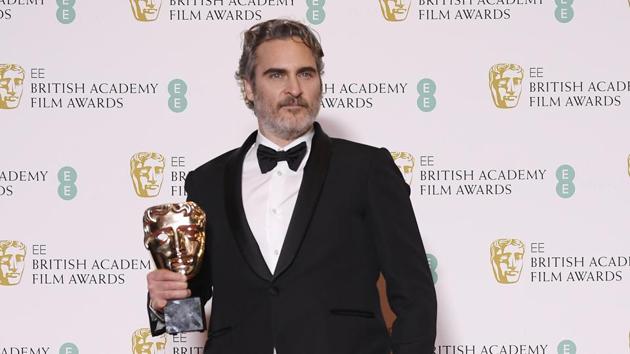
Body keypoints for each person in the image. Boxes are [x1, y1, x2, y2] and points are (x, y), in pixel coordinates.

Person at [146, 18, 436, 354]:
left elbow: (415, 295)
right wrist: (163, 303)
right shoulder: (207, 182)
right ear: (249, 87)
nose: (294, 89)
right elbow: (188, 316)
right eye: (276, 75)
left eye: (306, 73)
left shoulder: (367, 170)